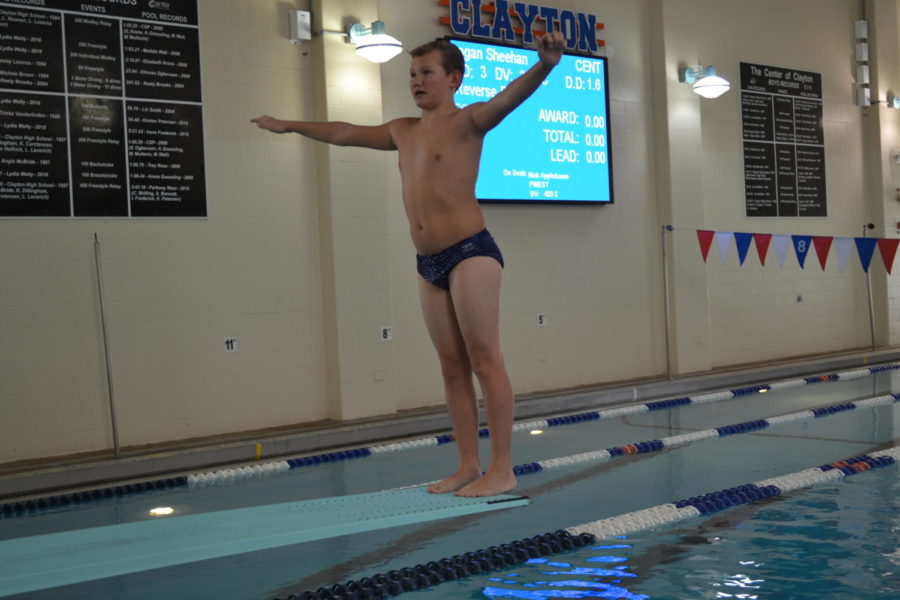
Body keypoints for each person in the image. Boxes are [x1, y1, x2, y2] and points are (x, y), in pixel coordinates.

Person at [251, 31, 565, 496]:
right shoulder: (403, 130)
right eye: (412, 74)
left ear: (454, 78)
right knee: (451, 367)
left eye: (426, 73)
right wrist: (291, 125)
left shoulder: (469, 122)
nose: (416, 81)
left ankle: (502, 467)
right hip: (429, 263)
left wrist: (546, 66)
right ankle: (465, 465)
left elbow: (509, 98)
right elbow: (344, 132)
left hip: (470, 252)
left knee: (484, 359)